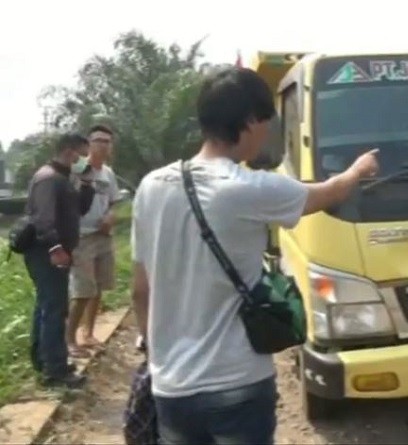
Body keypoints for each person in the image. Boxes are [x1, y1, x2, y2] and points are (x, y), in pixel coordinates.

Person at [130, 67, 379, 445]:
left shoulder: (150, 188)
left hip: (171, 387)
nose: (265, 134)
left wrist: (156, 354)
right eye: (265, 122)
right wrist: (359, 169)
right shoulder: (248, 188)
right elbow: (328, 193)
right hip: (237, 382)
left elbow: (140, 289)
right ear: (248, 121)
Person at [24, 132, 95, 388]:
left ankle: (45, 361)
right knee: (54, 308)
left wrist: (87, 184)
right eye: (83, 155)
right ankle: (56, 370)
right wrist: (55, 247)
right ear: (70, 152)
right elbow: (43, 218)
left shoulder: (64, 179)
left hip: (55, 251)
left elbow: (78, 210)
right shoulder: (48, 178)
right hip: (45, 253)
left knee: (47, 306)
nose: (85, 160)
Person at [67, 124, 122, 357]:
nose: (103, 144)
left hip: (103, 236)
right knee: (82, 290)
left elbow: (114, 201)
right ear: (88, 144)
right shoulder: (76, 170)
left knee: (99, 286)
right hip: (81, 237)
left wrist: (111, 215)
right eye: (98, 140)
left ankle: (88, 333)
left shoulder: (108, 174)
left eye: (107, 141)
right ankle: (70, 340)